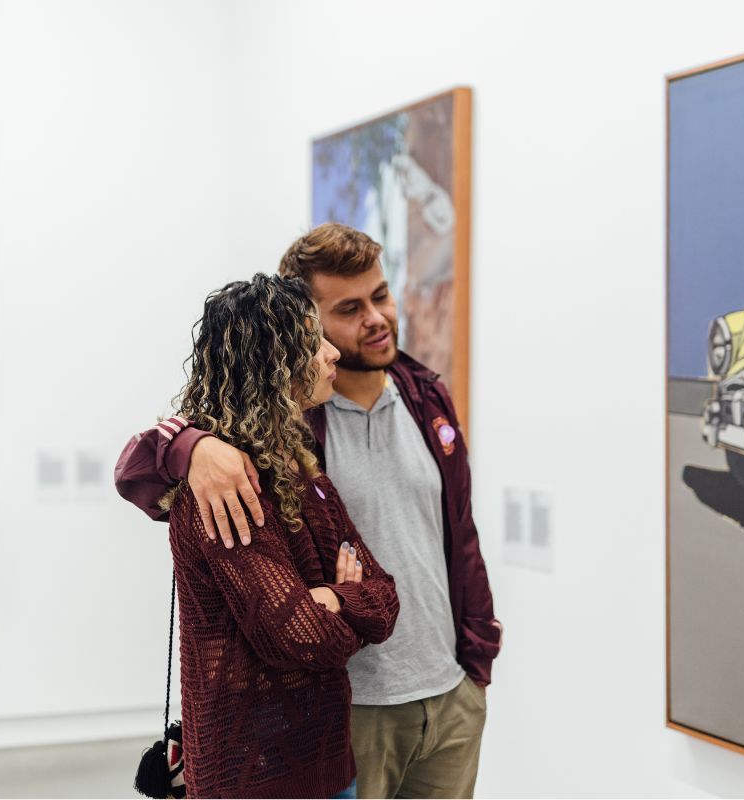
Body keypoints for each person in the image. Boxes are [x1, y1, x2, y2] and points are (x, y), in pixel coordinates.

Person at [117, 223, 502, 799]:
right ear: (305, 327)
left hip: (449, 693)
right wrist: (189, 446)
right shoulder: (275, 436)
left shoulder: (425, 396)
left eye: (380, 295)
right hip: (351, 709)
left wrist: (477, 656)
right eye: (348, 308)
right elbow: (134, 472)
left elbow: (458, 534)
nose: (375, 317)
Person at [133, 273, 400, 798]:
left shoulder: (301, 471)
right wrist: (346, 602)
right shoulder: (223, 492)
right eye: (312, 343)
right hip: (252, 778)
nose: (331, 355)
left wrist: (332, 600)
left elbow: (386, 596)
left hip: (326, 762)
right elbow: (301, 637)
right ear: (271, 367)